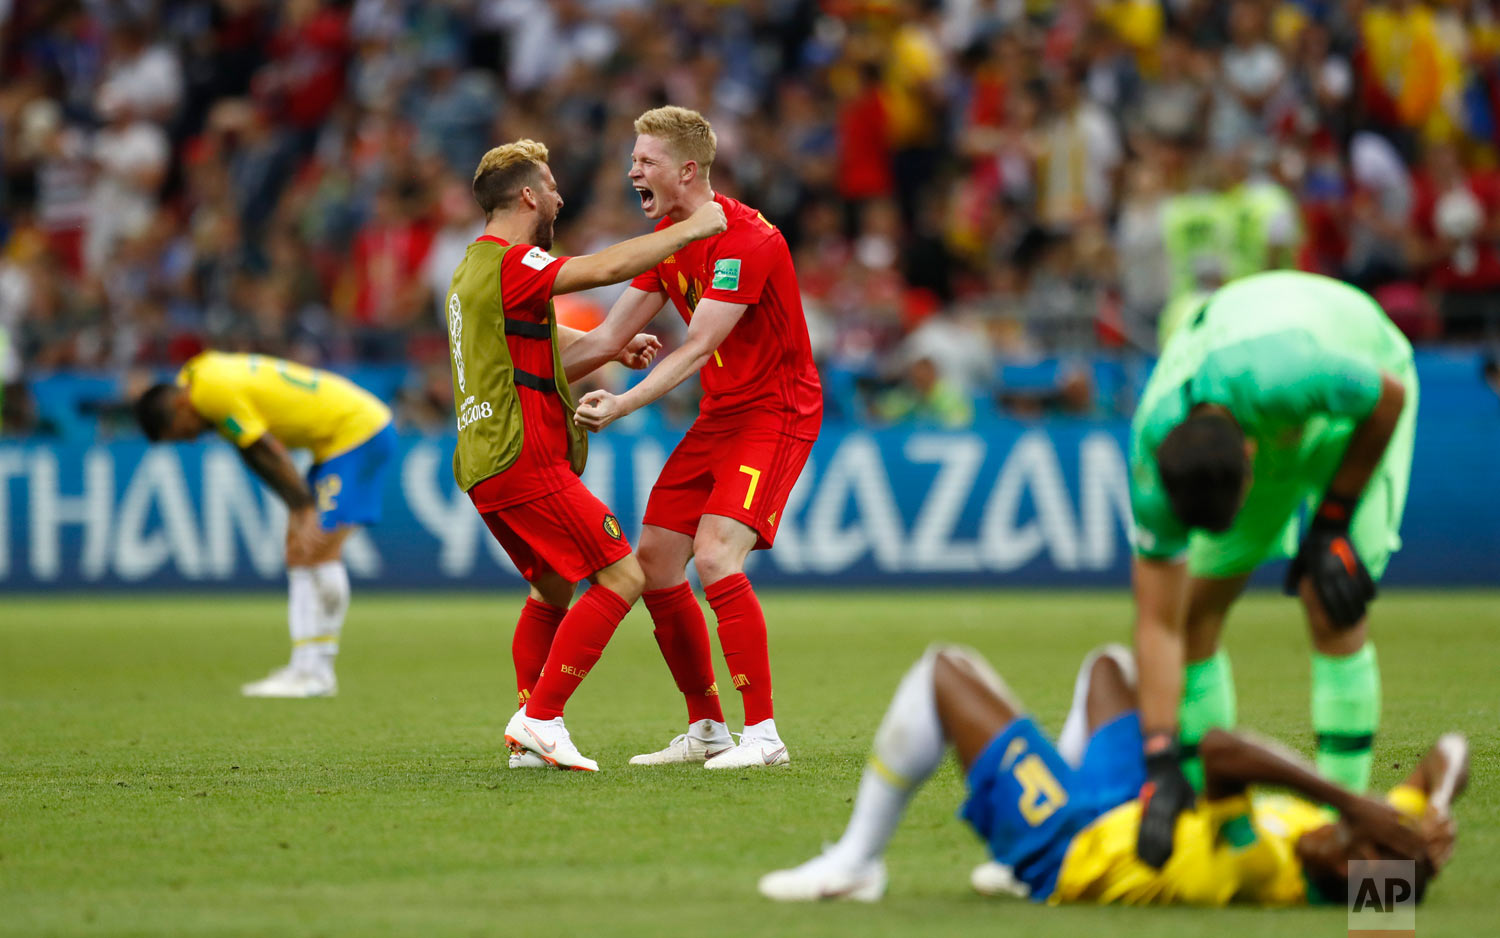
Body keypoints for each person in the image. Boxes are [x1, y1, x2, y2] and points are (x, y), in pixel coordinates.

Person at [758, 642, 1467, 906]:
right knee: (1114, 667)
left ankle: (856, 864)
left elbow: (1222, 751)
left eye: (1352, 846)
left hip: (1073, 849)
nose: (1339, 833)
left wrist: (1356, 804)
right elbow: (1452, 751)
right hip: (1134, 811)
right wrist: (1427, 809)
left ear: (1344, 877)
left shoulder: (1261, 867)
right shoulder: (1337, 847)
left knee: (942, 672)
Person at [445, 139, 726, 772]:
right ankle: (541, 719)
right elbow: (603, 268)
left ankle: (529, 739)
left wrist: (609, 348)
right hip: (526, 456)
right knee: (623, 576)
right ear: (527, 196)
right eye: (549, 185)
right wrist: (692, 228)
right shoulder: (514, 260)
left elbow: (529, 340)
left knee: (550, 589)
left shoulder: (470, 272)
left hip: (484, 462)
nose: (558, 196)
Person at [1127, 270, 1418, 867]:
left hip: (1362, 381)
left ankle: (1345, 823)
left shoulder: (1286, 371)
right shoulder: (1152, 468)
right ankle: (1222, 827)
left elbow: (1388, 398)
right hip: (1263, 401)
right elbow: (1159, 623)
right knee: (1197, 611)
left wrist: (1332, 521)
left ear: (1252, 460)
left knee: (1331, 597)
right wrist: (1158, 758)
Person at [571, 106, 824, 770]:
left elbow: (697, 346)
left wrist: (622, 404)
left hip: (776, 412)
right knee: (655, 559)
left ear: (687, 170)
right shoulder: (668, 238)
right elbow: (603, 338)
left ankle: (763, 735)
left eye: (645, 161)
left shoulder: (749, 239)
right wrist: (508, 379)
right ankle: (707, 727)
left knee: (714, 556)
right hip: (721, 415)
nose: (632, 171)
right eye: (633, 159)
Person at [135, 352, 398, 697]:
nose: (190, 439)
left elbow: (270, 452)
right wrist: (298, 505)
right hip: (335, 442)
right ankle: (304, 667)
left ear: (181, 406)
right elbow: (252, 452)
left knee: (316, 548)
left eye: (179, 432)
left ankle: (318, 672)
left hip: (358, 433)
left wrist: (303, 506)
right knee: (297, 551)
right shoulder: (198, 376)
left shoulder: (211, 392)